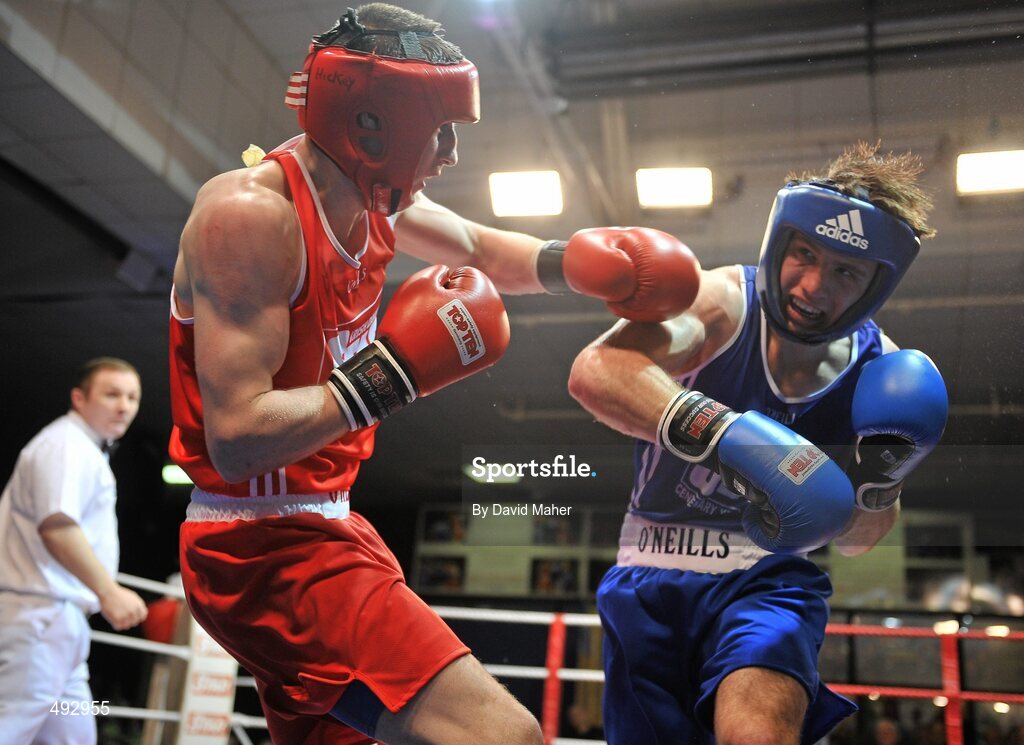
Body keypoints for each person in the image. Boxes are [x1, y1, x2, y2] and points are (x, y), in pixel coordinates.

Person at [168, 4, 700, 744]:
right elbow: (234, 440)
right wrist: (392, 375)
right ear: (371, 126)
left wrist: (580, 265)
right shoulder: (251, 216)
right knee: (504, 736)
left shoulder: (379, 199)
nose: (451, 152)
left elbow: (481, 246)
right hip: (261, 546)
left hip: (329, 524)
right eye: (440, 129)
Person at [568, 142, 950, 745]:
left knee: (757, 732)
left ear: (875, 285)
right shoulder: (720, 305)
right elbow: (597, 370)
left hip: (770, 581)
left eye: (845, 272)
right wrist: (726, 435)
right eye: (805, 254)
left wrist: (881, 483)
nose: (814, 286)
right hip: (651, 569)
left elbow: (856, 543)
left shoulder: (884, 373)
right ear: (779, 243)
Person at [0, 357, 146, 745]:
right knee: (12, 722)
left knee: (74, 730)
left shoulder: (84, 449)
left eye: (132, 397)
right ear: (79, 398)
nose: (124, 406)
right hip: (39, 617)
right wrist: (109, 591)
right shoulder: (66, 446)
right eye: (112, 394)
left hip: (61, 623)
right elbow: (58, 526)